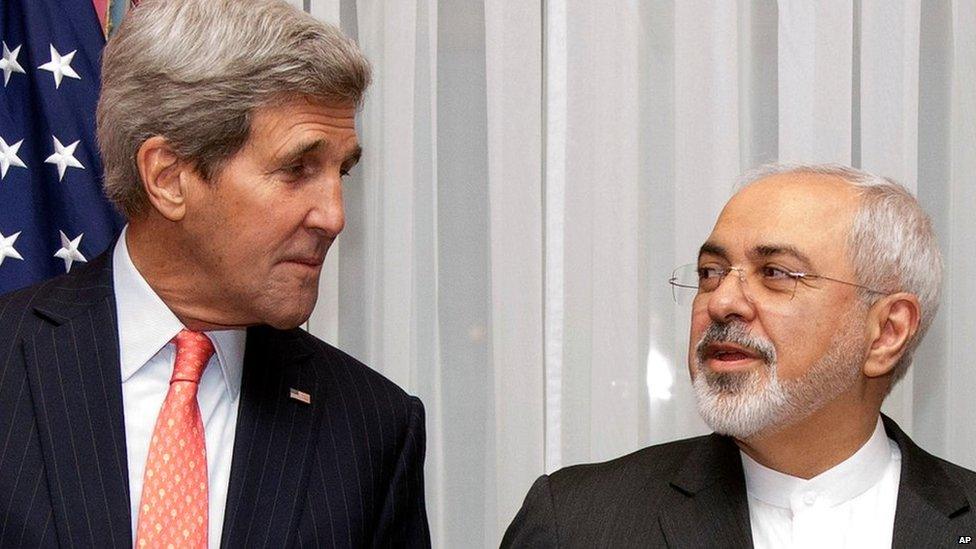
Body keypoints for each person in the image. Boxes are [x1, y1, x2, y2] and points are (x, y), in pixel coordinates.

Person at [0, 0, 429, 547]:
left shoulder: (372, 429)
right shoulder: (10, 364)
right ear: (169, 176)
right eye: (297, 169)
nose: (334, 216)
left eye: (341, 172)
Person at [502, 164, 976, 548]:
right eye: (711, 271)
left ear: (886, 332)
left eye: (775, 273)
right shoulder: (577, 523)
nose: (722, 301)